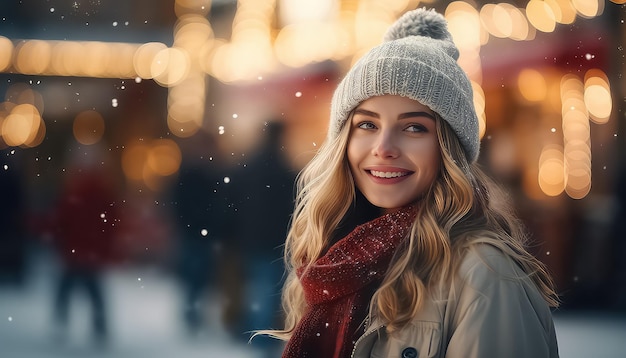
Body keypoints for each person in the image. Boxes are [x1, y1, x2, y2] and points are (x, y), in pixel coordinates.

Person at [260, 8, 560, 358]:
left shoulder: (483, 274)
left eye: (414, 127)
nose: (384, 148)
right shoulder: (332, 259)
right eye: (367, 125)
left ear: (448, 148)